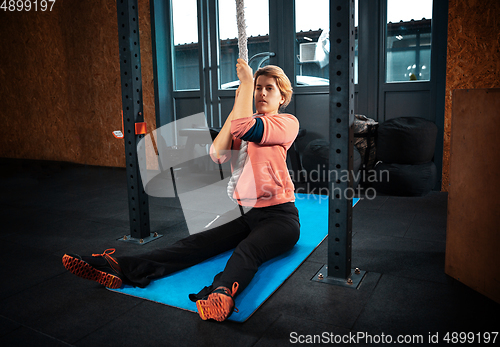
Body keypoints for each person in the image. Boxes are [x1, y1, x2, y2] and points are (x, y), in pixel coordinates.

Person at [62, 59, 300, 322]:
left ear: (282, 97)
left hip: (280, 218)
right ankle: (122, 267)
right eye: (257, 88)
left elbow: (246, 128)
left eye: (269, 88)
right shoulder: (244, 118)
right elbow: (218, 153)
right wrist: (239, 99)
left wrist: (245, 83)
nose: (262, 93)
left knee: (248, 250)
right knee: (194, 244)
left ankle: (221, 293)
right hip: (246, 215)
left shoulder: (286, 123)